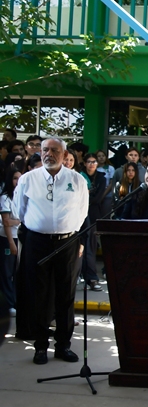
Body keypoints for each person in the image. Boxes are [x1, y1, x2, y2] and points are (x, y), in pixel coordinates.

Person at [12, 138, 88, 364]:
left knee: (66, 294)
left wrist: (66, 230)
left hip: (67, 242)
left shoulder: (76, 180)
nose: (48, 154)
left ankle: (63, 346)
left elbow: (82, 212)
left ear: (64, 154)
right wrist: (40, 227)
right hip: (37, 242)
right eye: (45, 150)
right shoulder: (28, 179)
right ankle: (40, 346)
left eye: (54, 150)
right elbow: (19, 211)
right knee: (39, 295)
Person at [80, 153, 107, 290]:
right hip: (78, 214)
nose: (92, 164)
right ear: (85, 163)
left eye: (94, 162)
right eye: (89, 161)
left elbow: (97, 199)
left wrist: (85, 196)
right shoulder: (79, 176)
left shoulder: (101, 178)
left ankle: (92, 278)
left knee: (90, 247)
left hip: (93, 214)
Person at [0, 168, 22, 317]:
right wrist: (11, 243)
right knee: (6, 273)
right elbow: (6, 222)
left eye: (20, 178)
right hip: (8, 239)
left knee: (16, 272)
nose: (17, 181)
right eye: (15, 178)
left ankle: (14, 302)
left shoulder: (20, 196)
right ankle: (8, 304)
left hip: (19, 237)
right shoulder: (5, 198)